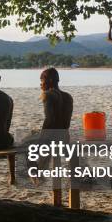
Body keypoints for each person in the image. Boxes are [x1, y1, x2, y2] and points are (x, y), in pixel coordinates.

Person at [39, 67, 74, 207]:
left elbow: (49, 120)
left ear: (49, 81)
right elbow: (66, 123)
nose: (40, 84)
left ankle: (38, 171)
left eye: (42, 80)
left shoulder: (47, 95)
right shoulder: (68, 96)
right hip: (65, 138)